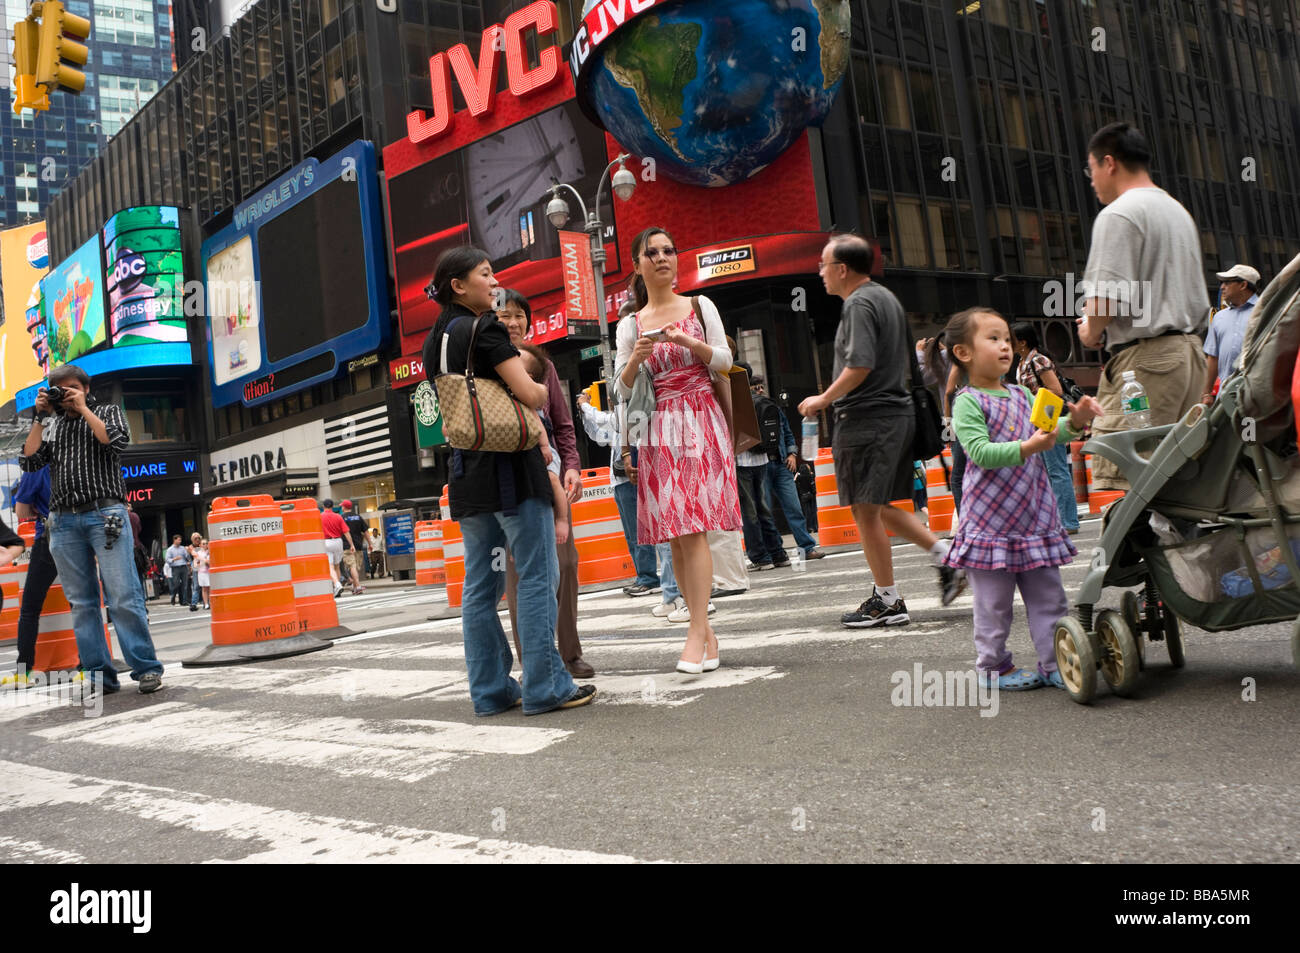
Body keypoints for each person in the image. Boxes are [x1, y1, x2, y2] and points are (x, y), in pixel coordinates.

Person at [422, 245, 595, 714]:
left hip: (466, 471)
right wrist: (539, 389)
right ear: (458, 285)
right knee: (539, 575)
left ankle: (491, 691)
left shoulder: (435, 336)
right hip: (514, 469)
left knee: (481, 585)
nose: (494, 281)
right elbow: (530, 390)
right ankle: (546, 687)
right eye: (485, 274)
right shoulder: (485, 328)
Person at [799, 235, 965, 628]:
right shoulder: (885, 298)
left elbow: (859, 367)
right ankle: (913, 579)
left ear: (842, 269)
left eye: (823, 265)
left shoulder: (858, 304)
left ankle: (906, 586)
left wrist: (822, 398)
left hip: (867, 418)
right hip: (893, 415)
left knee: (866, 506)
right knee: (876, 506)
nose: (819, 272)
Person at [939, 307, 1102, 690]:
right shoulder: (967, 402)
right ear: (963, 353)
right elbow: (979, 452)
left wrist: (1074, 422)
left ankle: (1054, 663)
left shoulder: (1022, 393)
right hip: (991, 525)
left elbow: (1049, 431)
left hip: (1035, 519)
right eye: (992, 339)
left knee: (1050, 598)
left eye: (1007, 340)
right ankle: (993, 668)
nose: (1005, 347)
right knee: (994, 607)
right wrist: (1029, 447)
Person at [615, 225, 742, 673]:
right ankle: (707, 637)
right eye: (652, 252)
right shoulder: (630, 324)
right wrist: (635, 359)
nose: (663, 257)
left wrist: (690, 342)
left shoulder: (699, 305)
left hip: (701, 418)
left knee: (694, 528)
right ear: (638, 264)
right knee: (676, 533)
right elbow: (621, 390)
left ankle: (694, 630)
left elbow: (727, 361)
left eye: (669, 250)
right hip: (657, 427)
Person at [1076, 122, 1210, 490]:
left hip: (1147, 366)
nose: (1092, 181)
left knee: (1129, 478)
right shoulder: (1177, 211)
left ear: (1109, 163)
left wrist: (1090, 329)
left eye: (1091, 171)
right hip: (1189, 358)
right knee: (1181, 481)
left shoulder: (1119, 214)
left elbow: (1105, 298)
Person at [20, 365, 164, 695]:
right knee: (82, 603)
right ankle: (100, 675)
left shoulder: (105, 410)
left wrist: (83, 408)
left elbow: (115, 441)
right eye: (59, 390)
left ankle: (145, 668)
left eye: (72, 388)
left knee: (123, 594)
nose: (66, 395)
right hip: (63, 520)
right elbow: (29, 462)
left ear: (86, 387)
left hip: (105, 514)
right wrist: (39, 417)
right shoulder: (52, 424)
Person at [496, 288, 594, 677]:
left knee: (566, 562)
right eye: (504, 316)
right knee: (519, 572)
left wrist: (572, 465)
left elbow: (563, 424)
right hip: (508, 478)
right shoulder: (487, 362)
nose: (513, 322)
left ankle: (570, 653)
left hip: (550, 471)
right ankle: (535, 661)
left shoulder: (541, 364)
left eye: (520, 315)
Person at [1011, 322, 1081, 533]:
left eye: (1011, 339)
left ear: (1022, 342)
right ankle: (1056, 520)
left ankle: (1068, 522)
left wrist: (1032, 404)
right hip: (1033, 423)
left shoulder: (1038, 360)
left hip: (1046, 419)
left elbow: (1056, 390)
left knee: (1057, 471)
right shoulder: (1022, 362)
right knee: (1047, 473)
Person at [751, 375, 825, 561]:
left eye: (761, 387)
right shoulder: (748, 410)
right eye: (755, 387)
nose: (760, 390)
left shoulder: (772, 407)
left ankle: (807, 548)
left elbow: (787, 432)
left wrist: (792, 454)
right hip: (761, 465)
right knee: (765, 512)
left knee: (794, 508)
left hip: (782, 463)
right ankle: (775, 552)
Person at [519, 345, 573, 547]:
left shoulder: (530, 398)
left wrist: (544, 447)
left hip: (545, 452)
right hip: (526, 455)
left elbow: (541, 425)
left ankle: (561, 518)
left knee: (552, 479)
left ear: (530, 376)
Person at [3, 467, 51, 687]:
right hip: (84, 536)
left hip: (49, 537)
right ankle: (89, 666)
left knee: (30, 608)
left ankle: (24, 672)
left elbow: (21, 512)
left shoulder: (37, 468)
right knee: (83, 604)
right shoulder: (75, 457)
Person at [1201, 264, 1261, 402]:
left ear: (1243, 285)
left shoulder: (1264, 312)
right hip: (1225, 397)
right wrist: (1206, 393)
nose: (1222, 287)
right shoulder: (1219, 317)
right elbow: (1213, 358)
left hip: (1256, 396)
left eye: (1227, 283)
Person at [319, 499, 351, 597]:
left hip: (326, 542)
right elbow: (346, 532)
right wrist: (351, 544)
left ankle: (337, 584)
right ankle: (336, 588)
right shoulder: (338, 517)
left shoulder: (319, 517)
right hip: (338, 542)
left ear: (323, 507)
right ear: (332, 506)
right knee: (337, 566)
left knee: (330, 566)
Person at [340, 500, 368, 595]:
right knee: (356, 567)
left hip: (347, 546)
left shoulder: (341, 518)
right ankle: (355, 586)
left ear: (344, 507)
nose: (341, 508)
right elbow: (365, 531)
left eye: (342, 506)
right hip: (358, 545)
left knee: (352, 566)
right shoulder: (358, 517)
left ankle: (357, 586)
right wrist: (370, 543)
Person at [165, 534, 191, 606]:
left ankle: (183, 601)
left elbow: (187, 557)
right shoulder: (170, 549)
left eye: (180, 540)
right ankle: (173, 597)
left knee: (185, 585)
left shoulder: (182, 548)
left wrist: (188, 552)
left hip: (183, 567)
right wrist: (174, 559)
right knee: (176, 584)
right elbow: (167, 560)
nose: (180, 541)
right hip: (175, 568)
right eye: (179, 540)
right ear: (174, 540)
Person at [187, 531, 204, 610]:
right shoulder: (190, 547)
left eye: (198, 538)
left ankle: (206, 602)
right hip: (196, 568)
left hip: (204, 568)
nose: (197, 540)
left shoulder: (203, 545)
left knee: (205, 586)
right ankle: (193, 604)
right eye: (195, 538)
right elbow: (191, 557)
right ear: (192, 539)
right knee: (196, 586)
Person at [192, 538, 211, 609]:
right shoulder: (198, 553)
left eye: (206, 543)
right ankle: (206, 604)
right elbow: (195, 565)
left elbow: (211, 562)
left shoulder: (210, 552)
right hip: (202, 572)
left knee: (210, 588)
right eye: (203, 544)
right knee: (204, 588)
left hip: (210, 572)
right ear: (200, 545)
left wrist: (206, 561)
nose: (205, 545)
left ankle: (211, 603)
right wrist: (202, 562)